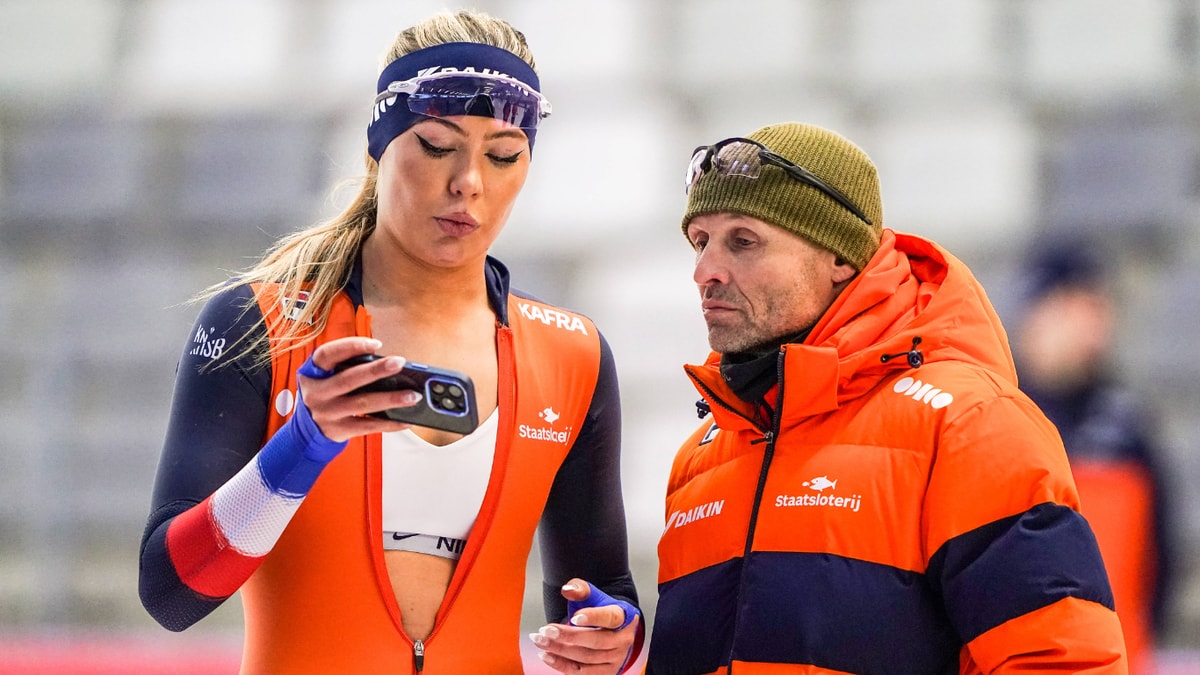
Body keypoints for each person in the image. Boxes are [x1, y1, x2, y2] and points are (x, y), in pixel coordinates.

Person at [137, 10, 642, 674]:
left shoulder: (572, 355)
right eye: (437, 144)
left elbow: (601, 594)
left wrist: (613, 636)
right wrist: (303, 447)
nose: (469, 181)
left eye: (503, 154)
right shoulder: (262, 321)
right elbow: (172, 594)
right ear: (378, 146)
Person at [646, 122, 1127, 673]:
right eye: (701, 241)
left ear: (839, 259)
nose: (705, 272)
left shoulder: (968, 425)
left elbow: (1063, 663)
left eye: (744, 242)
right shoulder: (705, 455)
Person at [1012, 240, 1176, 674]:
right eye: (1081, 307)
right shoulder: (998, 418)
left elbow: (1160, 560)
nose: (1096, 326)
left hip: (1116, 660)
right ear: (1041, 311)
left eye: (1099, 309)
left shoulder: (1127, 429)